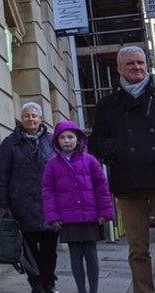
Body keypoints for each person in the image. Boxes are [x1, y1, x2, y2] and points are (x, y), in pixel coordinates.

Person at [89, 46, 155, 293]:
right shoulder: (107, 105)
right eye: (130, 64)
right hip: (128, 182)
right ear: (119, 69)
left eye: (140, 63)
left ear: (147, 66)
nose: (136, 67)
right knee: (138, 249)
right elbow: (96, 142)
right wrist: (120, 150)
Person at [43, 120, 114, 293]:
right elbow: (48, 192)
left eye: (70, 137)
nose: (67, 140)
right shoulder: (52, 164)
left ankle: (93, 290)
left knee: (91, 256)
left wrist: (104, 212)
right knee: (75, 257)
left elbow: (102, 187)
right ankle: (81, 290)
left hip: (90, 217)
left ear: (78, 139)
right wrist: (52, 216)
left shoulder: (90, 161)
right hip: (68, 219)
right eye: (62, 137)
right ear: (57, 141)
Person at [0, 102, 58, 293]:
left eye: (34, 116)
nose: (30, 119)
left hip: (48, 204)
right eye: (26, 116)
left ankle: (49, 282)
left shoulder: (52, 141)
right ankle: (36, 284)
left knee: (49, 249)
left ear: (41, 119)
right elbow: (2, 174)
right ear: (21, 119)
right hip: (21, 204)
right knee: (29, 248)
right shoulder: (10, 143)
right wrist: (2, 203)